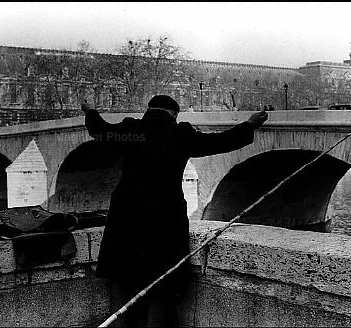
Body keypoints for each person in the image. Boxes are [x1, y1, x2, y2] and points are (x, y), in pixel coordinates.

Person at [81, 95, 268, 327]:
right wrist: (250, 124)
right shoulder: (180, 135)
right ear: (174, 114)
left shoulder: (131, 131)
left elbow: (100, 129)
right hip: (164, 220)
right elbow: (220, 142)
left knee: (122, 281)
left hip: (125, 218)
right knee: (162, 283)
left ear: (148, 110)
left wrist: (90, 110)